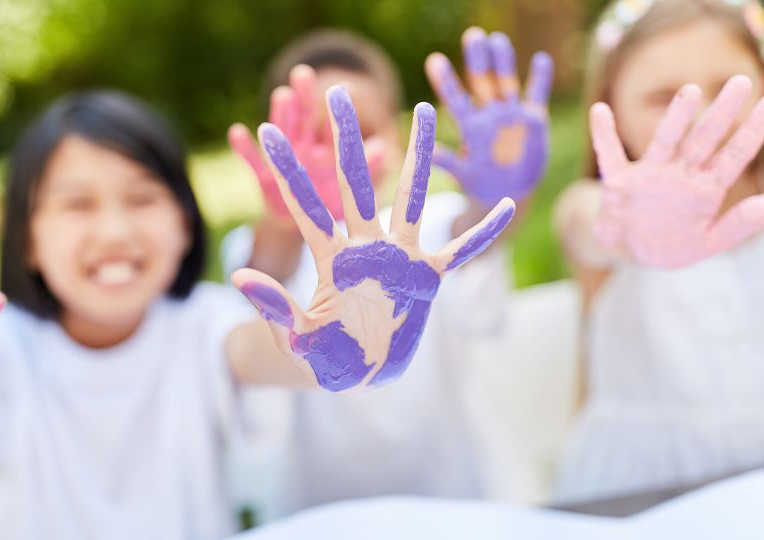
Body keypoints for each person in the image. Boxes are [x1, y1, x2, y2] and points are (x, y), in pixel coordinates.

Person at [0, 61, 511, 539]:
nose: (115, 231)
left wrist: (343, 350)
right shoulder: (0, 347)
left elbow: (267, 352)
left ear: (187, 221)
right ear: (28, 239)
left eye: (142, 197)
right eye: (76, 204)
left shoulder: (204, 327)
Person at [223, 28, 553, 519]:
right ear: (282, 150)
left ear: (399, 140)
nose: (341, 152)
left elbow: (477, 233)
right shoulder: (272, 250)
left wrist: (507, 184)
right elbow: (262, 273)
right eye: (317, 135)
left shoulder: (429, 235)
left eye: (362, 128)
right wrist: (280, 222)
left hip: (453, 500)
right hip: (325, 511)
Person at [553, 0, 764, 504]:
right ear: (611, 108)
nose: (702, 116)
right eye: (664, 98)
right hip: (636, 491)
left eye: (728, 89)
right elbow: (584, 226)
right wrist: (628, 231)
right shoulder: (593, 209)